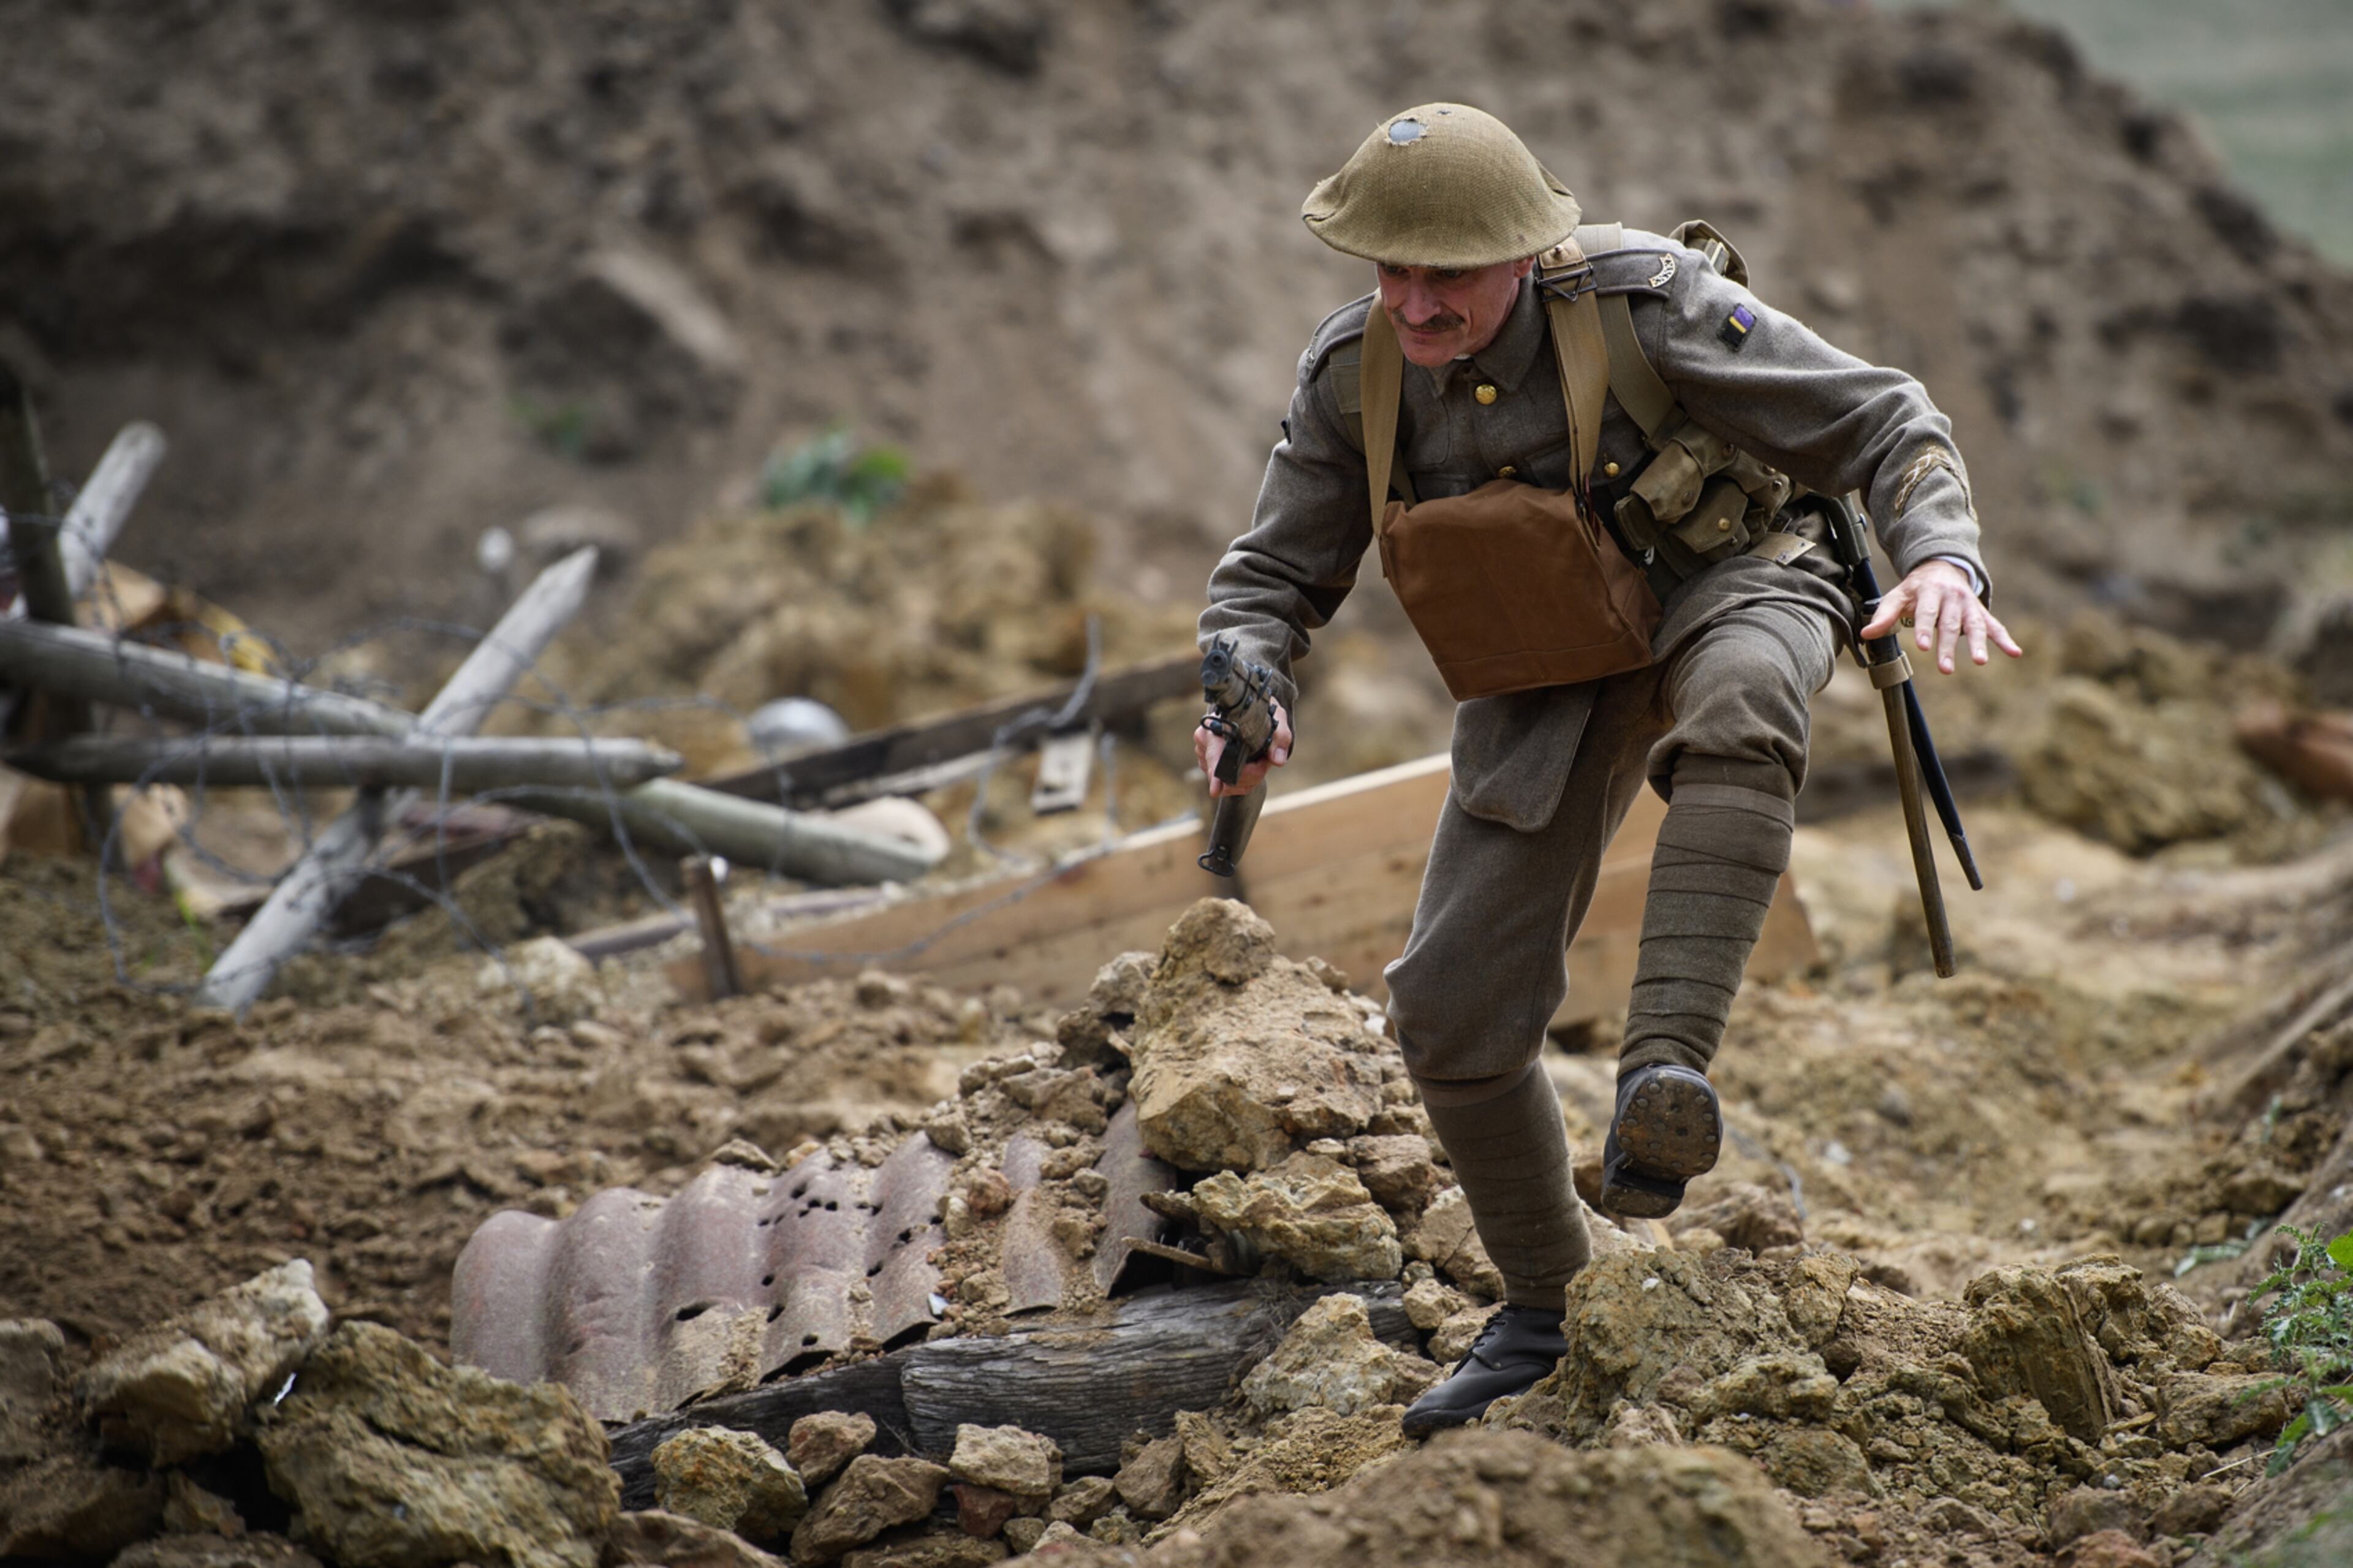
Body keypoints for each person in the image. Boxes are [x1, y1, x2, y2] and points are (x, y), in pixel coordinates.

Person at [1192, 103, 2021, 1437]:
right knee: (1450, 1007)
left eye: (1444, 273)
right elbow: (1272, 572)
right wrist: (1246, 678)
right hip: (1551, 655)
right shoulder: (1357, 374)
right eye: (1388, 270)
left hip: (1734, 583)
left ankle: (1662, 1084)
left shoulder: (1648, 305)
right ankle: (1544, 1312)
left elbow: (1886, 420)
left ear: (1524, 253)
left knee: (1748, 697)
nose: (1410, 302)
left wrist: (1941, 555)